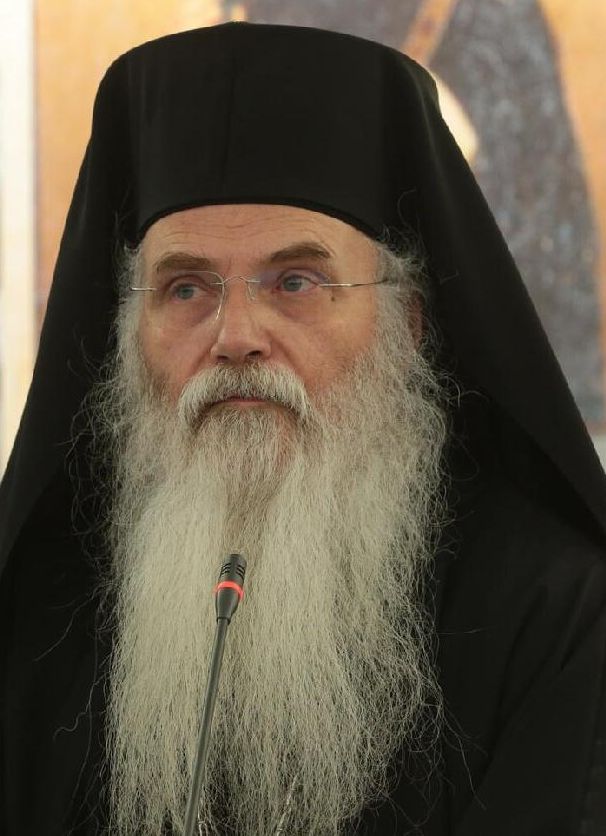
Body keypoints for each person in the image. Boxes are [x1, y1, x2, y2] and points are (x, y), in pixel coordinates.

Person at [1, 22, 605, 836]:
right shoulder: (41, 620)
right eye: (185, 289)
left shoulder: (554, 616)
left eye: (295, 282)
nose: (235, 336)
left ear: (407, 326)